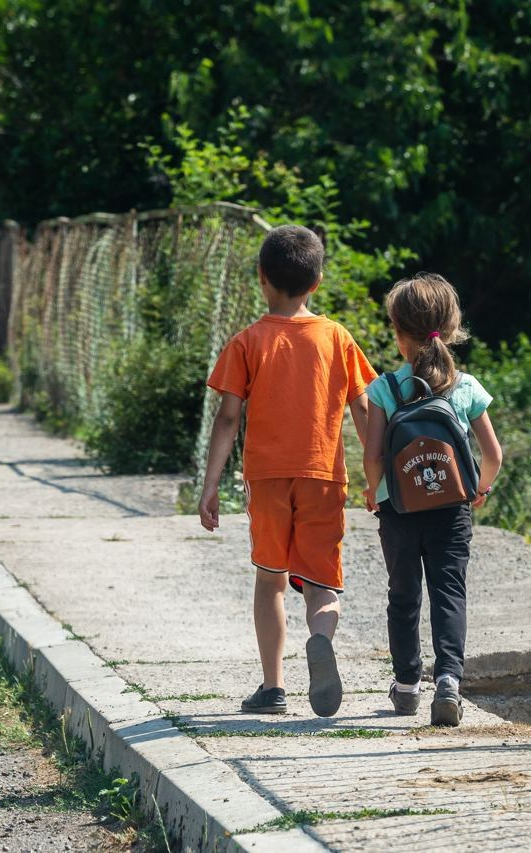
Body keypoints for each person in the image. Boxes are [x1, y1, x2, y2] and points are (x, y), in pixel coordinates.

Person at [199, 225, 376, 718]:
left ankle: (273, 688)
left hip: (268, 477)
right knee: (322, 582)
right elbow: (363, 411)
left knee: (271, 577)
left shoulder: (247, 341)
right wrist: (375, 476)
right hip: (324, 474)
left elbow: (228, 417)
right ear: (317, 281)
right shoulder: (338, 337)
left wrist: (211, 485)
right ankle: (320, 637)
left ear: (262, 278)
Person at [361, 273, 502, 727]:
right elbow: (493, 455)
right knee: (449, 591)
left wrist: (372, 490)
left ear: (399, 334)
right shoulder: (465, 387)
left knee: (402, 596)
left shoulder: (385, 387)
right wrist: (479, 489)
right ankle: (448, 681)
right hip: (451, 511)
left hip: (398, 510)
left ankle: (406, 686)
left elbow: (373, 456)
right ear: (452, 328)